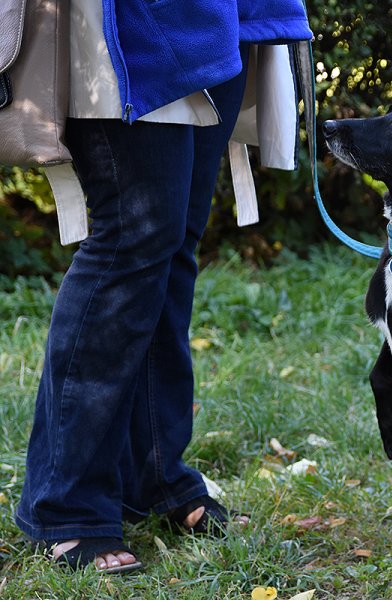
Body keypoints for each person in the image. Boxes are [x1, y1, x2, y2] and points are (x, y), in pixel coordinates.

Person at [15, 0, 312, 573]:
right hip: (125, 32)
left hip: (219, 24)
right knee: (130, 243)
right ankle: (66, 503)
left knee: (170, 252)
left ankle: (155, 477)